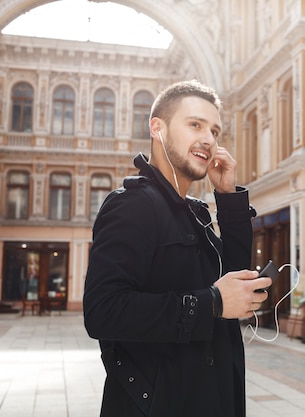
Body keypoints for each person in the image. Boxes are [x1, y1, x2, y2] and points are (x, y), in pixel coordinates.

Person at [83, 80, 271, 417]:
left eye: (215, 131)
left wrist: (228, 199)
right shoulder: (132, 206)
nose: (209, 139)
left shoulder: (195, 213)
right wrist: (212, 303)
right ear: (158, 128)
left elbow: (232, 279)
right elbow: (103, 312)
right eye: (195, 125)